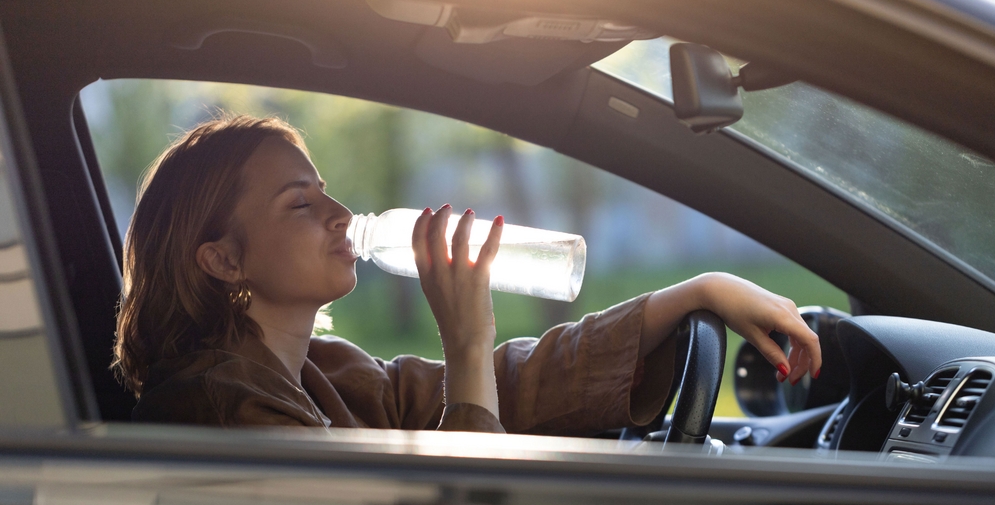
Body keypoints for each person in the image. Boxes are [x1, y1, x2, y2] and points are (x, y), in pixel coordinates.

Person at [116, 115, 821, 434]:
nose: (338, 212)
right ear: (223, 259)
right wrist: (467, 346)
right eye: (300, 202)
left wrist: (694, 293)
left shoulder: (319, 372)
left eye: (326, 189)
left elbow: (513, 386)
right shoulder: (225, 410)